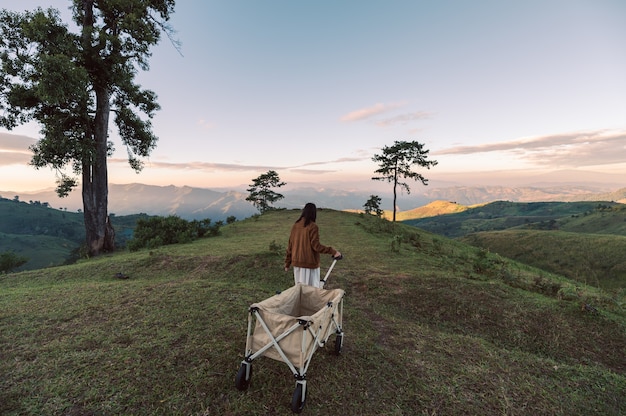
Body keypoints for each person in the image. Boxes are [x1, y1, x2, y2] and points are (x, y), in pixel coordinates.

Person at [284, 203, 342, 288]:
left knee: (300, 292)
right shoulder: (313, 226)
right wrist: (333, 251)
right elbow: (316, 246)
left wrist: (287, 263)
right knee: (312, 292)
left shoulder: (295, 225)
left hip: (297, 265)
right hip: (309, 265)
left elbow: (290, 246)